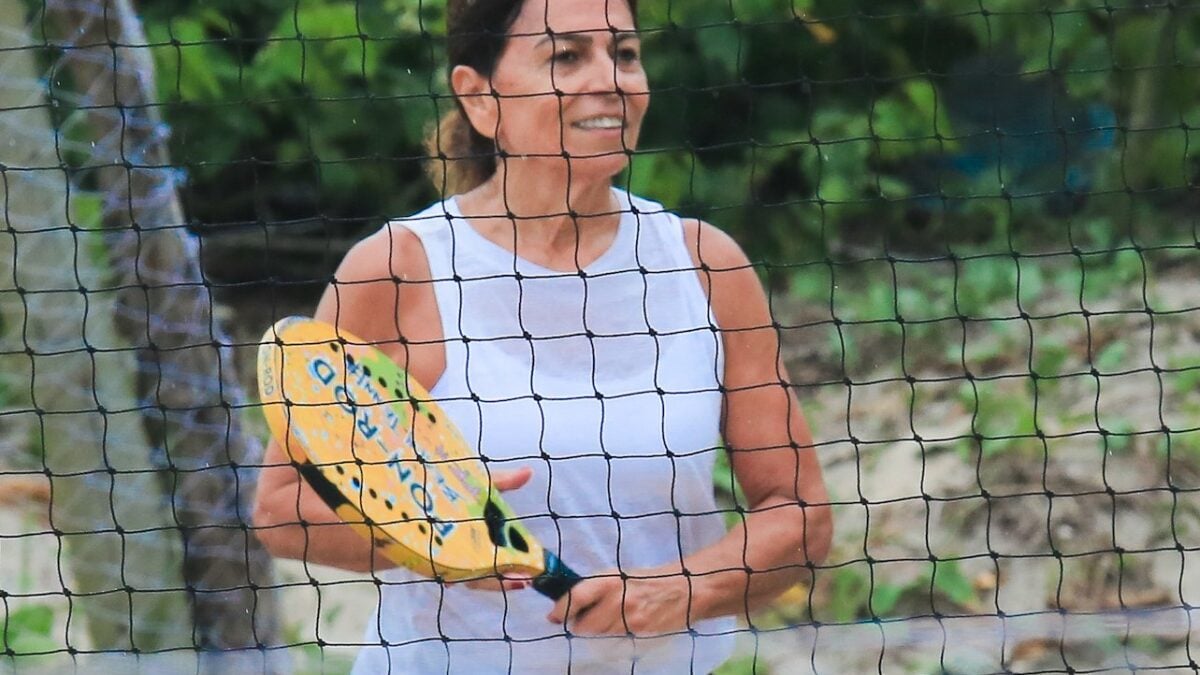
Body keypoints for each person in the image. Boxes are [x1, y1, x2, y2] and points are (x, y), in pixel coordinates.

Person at [252, 0, 832, 672]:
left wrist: (683, 588)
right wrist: (438, 538)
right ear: (480, 97)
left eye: (624, 53)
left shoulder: (705, 264)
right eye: (566, 56)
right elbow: (282, 507)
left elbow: (800, 514)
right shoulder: (400, 266)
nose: (609, 78)